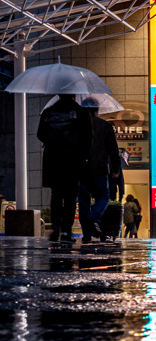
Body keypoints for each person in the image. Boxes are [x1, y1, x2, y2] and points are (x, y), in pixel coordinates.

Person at [37, 95, 92, 241]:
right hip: (73, 159)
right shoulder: (81, 112)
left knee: (56, 195)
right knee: (70, 197)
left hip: (53, 159)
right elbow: (88, 138)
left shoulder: (48, 111)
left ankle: (56, 227)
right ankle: (66, 231)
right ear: (73, 94)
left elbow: (40, 135)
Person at [78, 97, 121, 242]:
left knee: (83, 201)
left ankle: (87, 234)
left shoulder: (78, 125)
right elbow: (113, 150)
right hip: (100, 169)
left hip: (82, 170)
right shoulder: (105, 126)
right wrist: (115, 168)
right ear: (97, 109)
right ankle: (93, 217)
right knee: (103, 197)